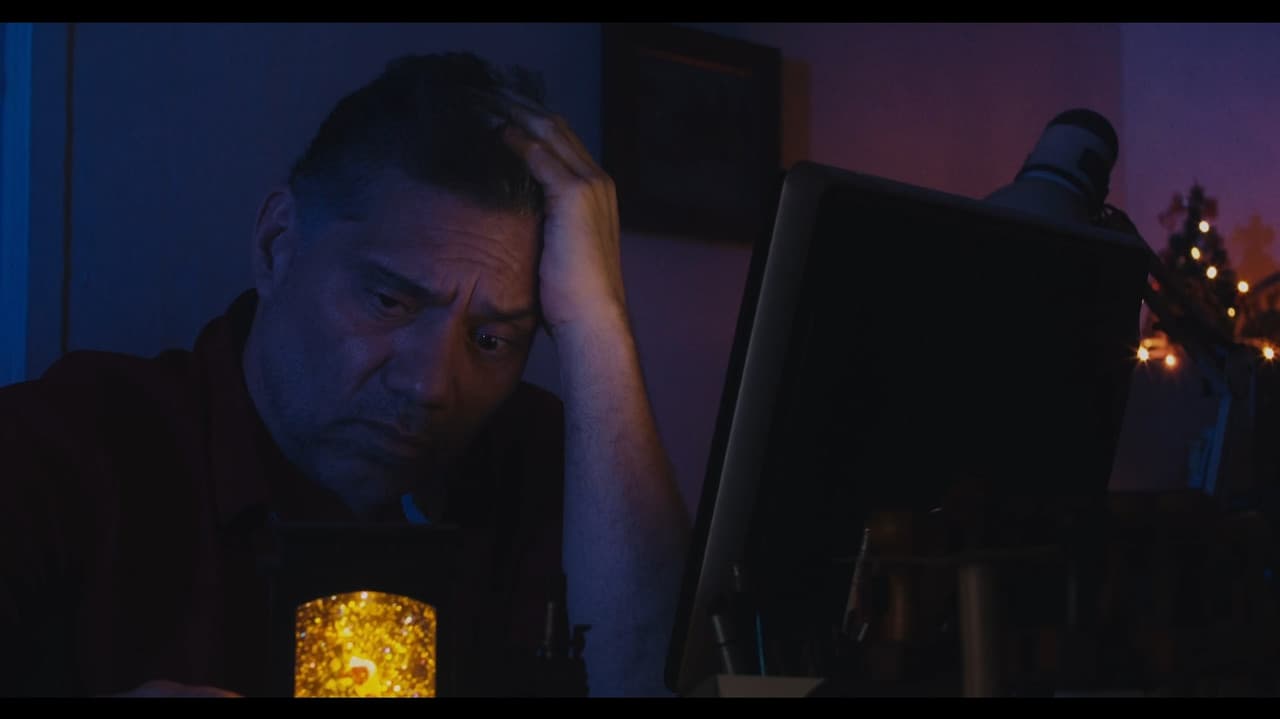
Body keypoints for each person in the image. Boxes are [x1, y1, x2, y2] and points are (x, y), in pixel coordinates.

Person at [0, 51, 690, 697]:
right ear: (276, 245)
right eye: (389, 302)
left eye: (491, 339)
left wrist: (598, 323)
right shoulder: (65, 451)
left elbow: (651, 682)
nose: (430, 386)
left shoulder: (551, 468)